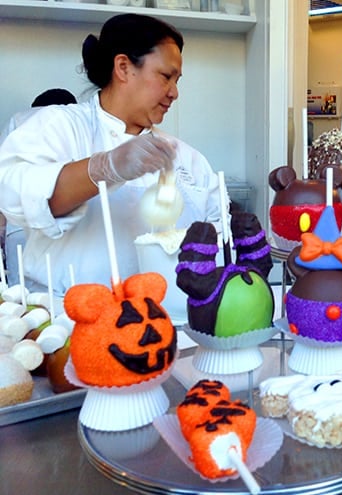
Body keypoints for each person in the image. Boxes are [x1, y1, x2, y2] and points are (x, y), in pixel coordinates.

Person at [0, 14, 227, 295]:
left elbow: (220, 235)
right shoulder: (59, 126)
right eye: (166, 76)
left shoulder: (186, 157)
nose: (174, 93)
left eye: (177, 80)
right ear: (123, 67)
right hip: (66, 311)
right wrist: (105, 167)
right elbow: (15, 195)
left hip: (164, 312)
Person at [0, 88, 77, 284]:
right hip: (69, 226)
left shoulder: (18, 121)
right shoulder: (77, 124)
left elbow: (4, 181)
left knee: (22, 294)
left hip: (20, 227)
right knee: (69, 289)